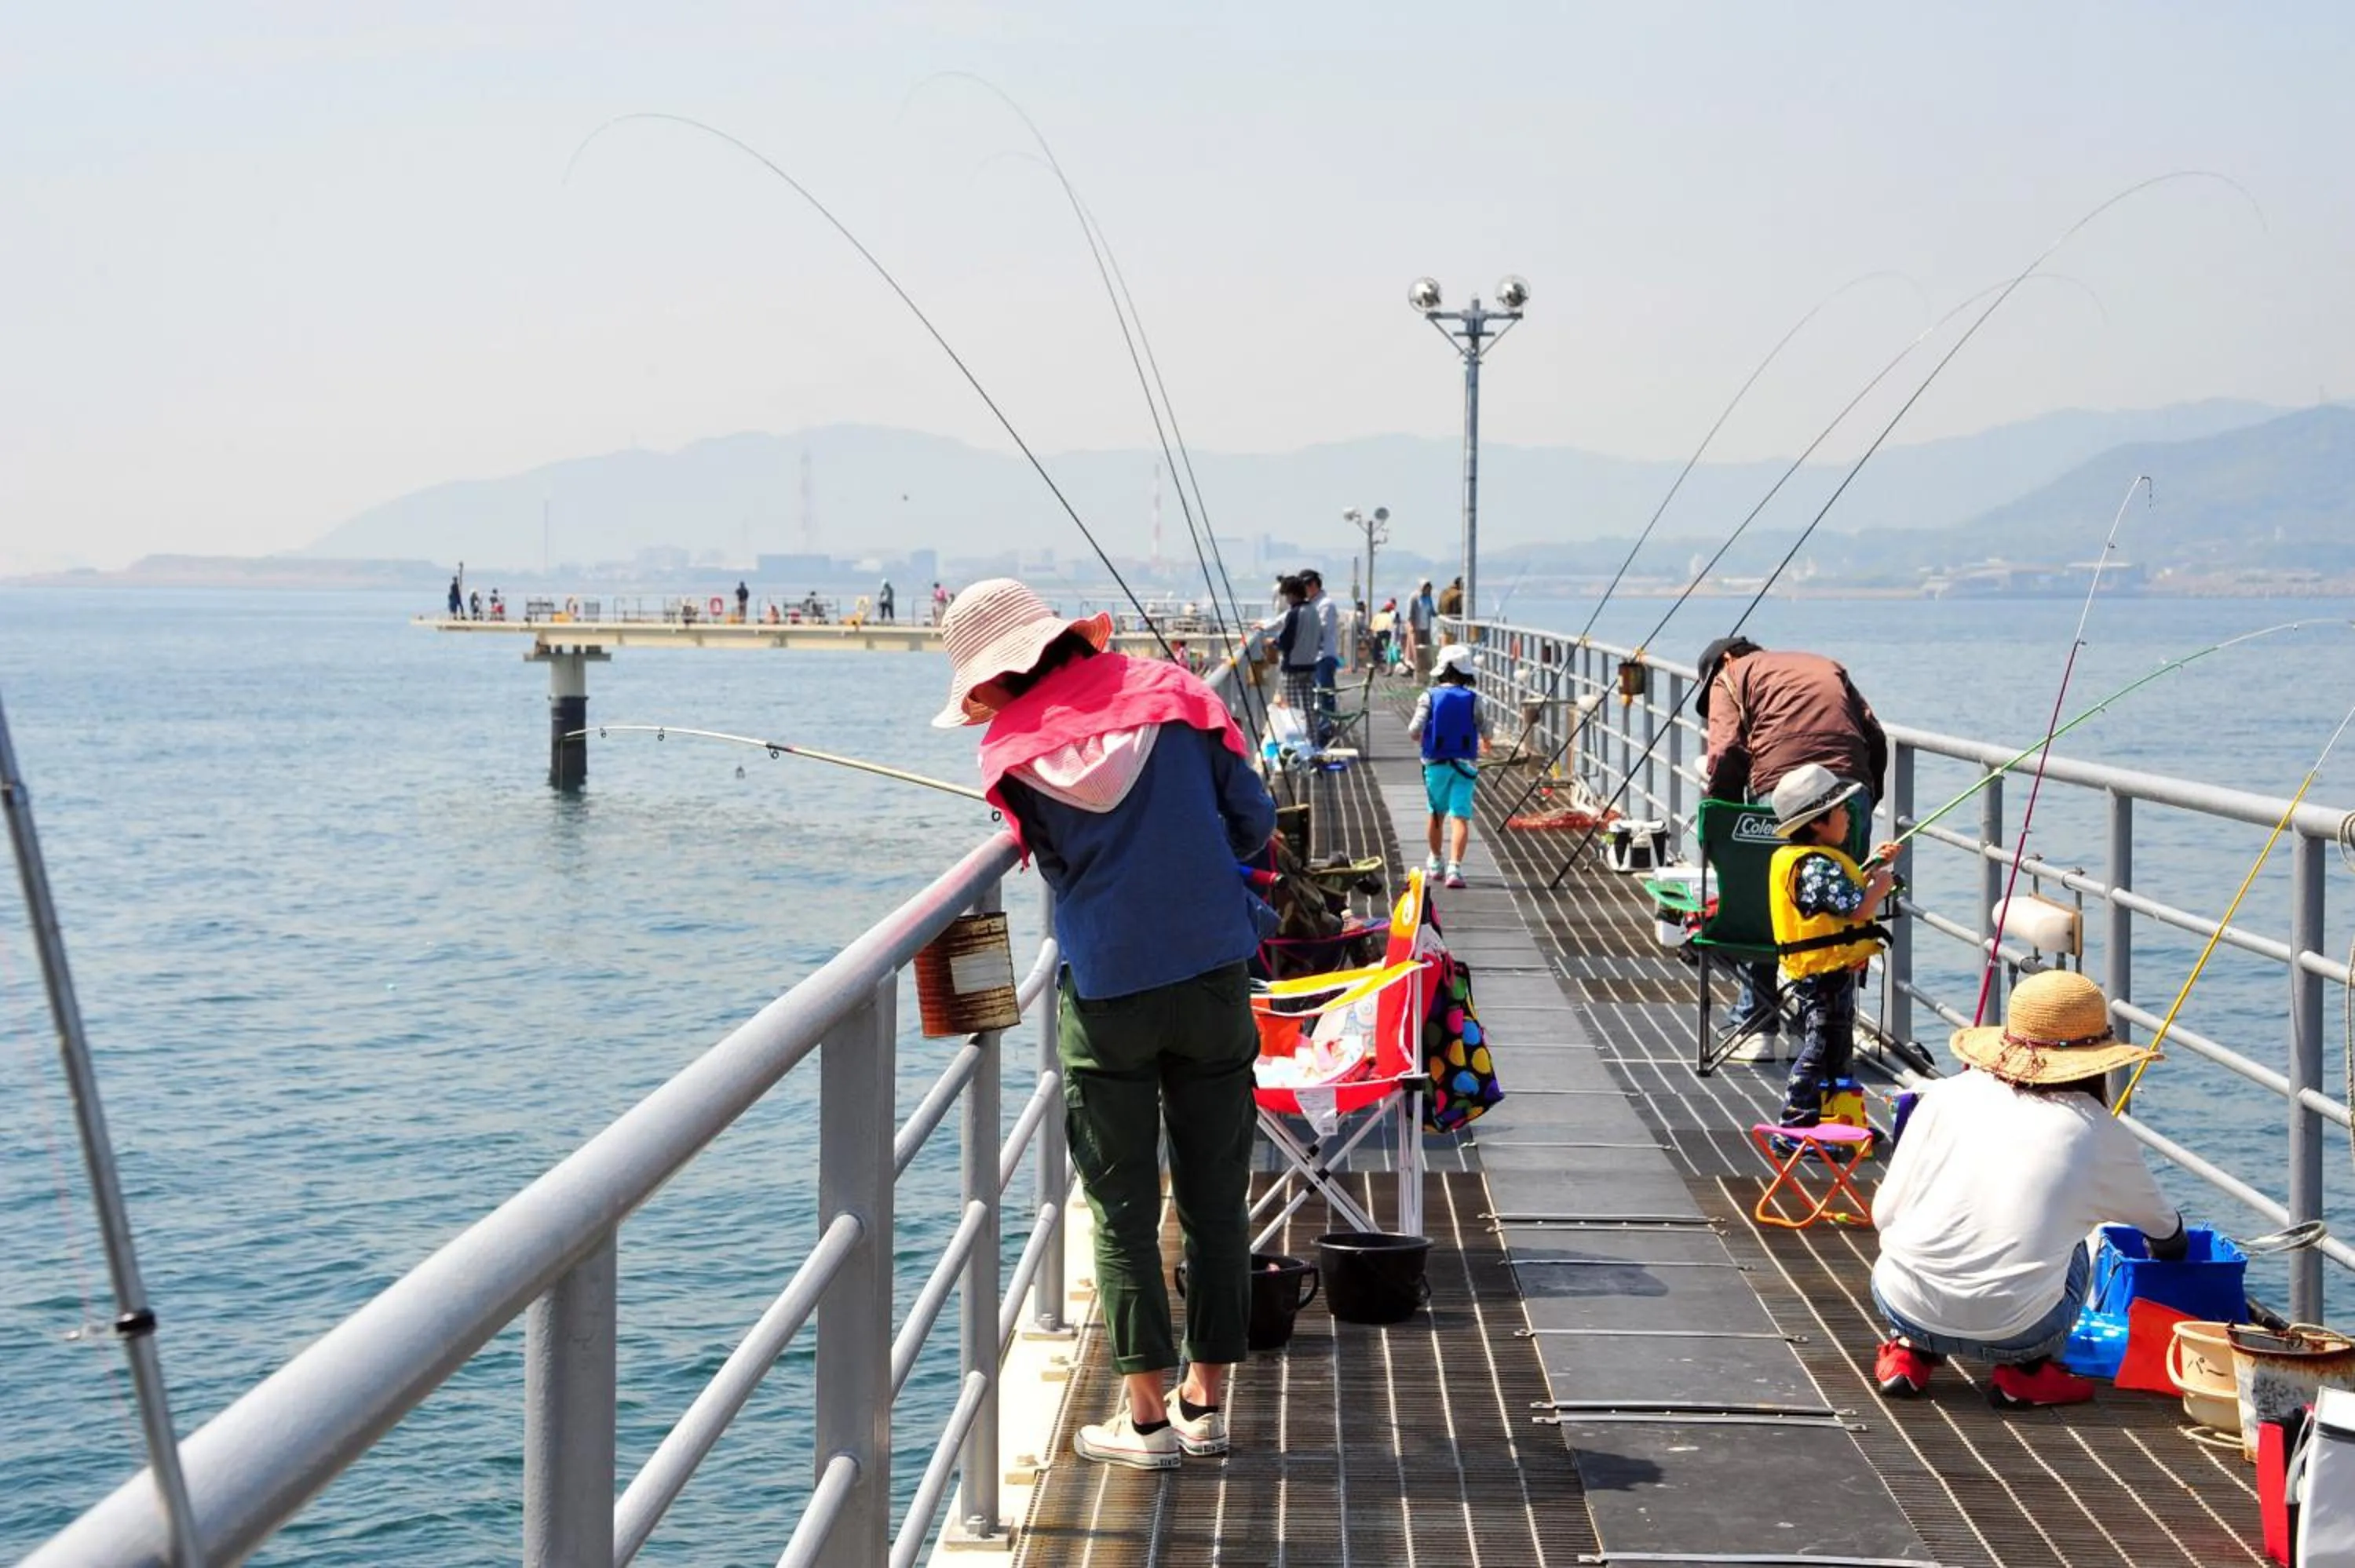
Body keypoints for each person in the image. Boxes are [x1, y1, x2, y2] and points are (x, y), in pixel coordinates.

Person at [934, 577, 1276, 1470]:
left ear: (998, 679)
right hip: (1210, 972)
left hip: (1110, 986)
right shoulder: (1177, 694)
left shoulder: (1009, 750)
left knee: (1122, 1209)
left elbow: (1049, 863)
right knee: (1214, 1196)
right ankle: (1208, 1402)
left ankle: (1148, 1421)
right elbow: (1253, 823)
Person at [1870, 969, 2187, 1409]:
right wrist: (2174, 1248)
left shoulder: (1944, 1095)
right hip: (2019, 1329)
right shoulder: (2097, 1130)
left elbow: (1884, 1216)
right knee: (2076, 1242)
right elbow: (2162, 1227)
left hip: (1902, 1301)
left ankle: (1908, 1353)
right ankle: (2026, 1373)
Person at [1700, 636, 1888, 1060]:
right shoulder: (1827, 663)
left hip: (1782, 789)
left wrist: (1724, 816)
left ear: (1725, 659)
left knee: (1769, 898)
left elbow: (1726, 748)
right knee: (1842, 909)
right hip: (1848, 790)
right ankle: (1824, 1027)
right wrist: (1865, 800)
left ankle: (1756, 1025)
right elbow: (1874, 736)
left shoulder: (1728, 674)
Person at [1761, 764, 1898, 1130]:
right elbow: (1857, 908)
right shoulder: (1816, 866)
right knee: (1821, 1047)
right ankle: (1797, 1121)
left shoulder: (1811, 861)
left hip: (1823, 973)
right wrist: (1880, 886)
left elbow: (1837, 895)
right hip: (1822, 977)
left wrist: (1870, 869)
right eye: (1841, 812)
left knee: (1837, 1044)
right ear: (1818, 822)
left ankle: (1838, 1119)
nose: (1849, 818)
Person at [1407, 644, 1494, 888]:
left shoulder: (1429, 696)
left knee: (1436, 813)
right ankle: (1455, 868)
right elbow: (1484, 725)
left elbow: (1414, 729)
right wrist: (1487, 740)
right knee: (1460, 817)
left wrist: (1421, 737)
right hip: (1465, 765)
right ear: (1465, 672)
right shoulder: (1474, 699)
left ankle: (1435, 861)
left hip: (1435, 763)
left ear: (1441, 670)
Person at [1273, 575, 1319, 740]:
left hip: (1293, 668)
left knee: (1294, 710)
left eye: (1286, 595)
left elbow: (1286, 641)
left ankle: (1300, 742)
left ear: (1292, 594)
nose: (1286, 599)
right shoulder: (1313, 610)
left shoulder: (1294, 613)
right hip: (1310, 666)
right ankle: (1314, 742)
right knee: (1308, 708)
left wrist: (1273, 643)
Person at [1300, 569, 1339, 745]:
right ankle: (1317, 730)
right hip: (1312, 658)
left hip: (1323, 657)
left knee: (1325, 694)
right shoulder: (1310, 604)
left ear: (1313, 585)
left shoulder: (1326, 604)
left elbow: (1321, 630)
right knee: (1315, 695)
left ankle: (1326, 730)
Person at [1405, 578, 1436, 678]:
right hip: (1416, 626)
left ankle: (1426, 667)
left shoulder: (1428, 598)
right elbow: (1410, 613)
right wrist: (1412, 625)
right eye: (1426, 587)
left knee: (1426, 647)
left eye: (1429, 588)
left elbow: (1431, 611)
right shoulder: (1414, 597)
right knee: (1416, 648)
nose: (1427, 590)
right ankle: (1416, 668)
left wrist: (1437, 615)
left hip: (1426, 626)